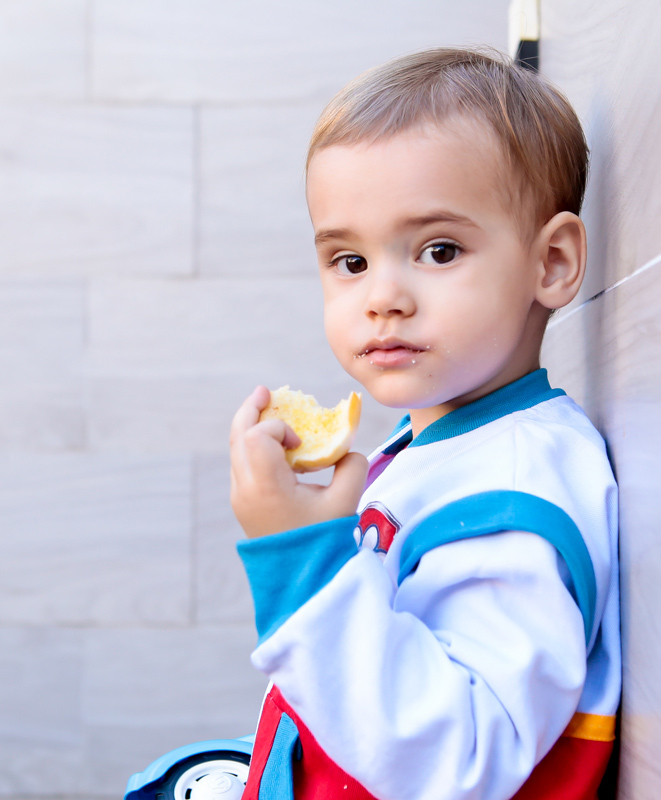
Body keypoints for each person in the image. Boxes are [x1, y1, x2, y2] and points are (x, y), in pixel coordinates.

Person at [227, 47, 620, 800]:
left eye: (438, 250)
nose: (383, 298)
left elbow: (456, 760)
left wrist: (303, 564)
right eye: (349, 262)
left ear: (552, 262)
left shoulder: (513, 498)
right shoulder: (439, 446)